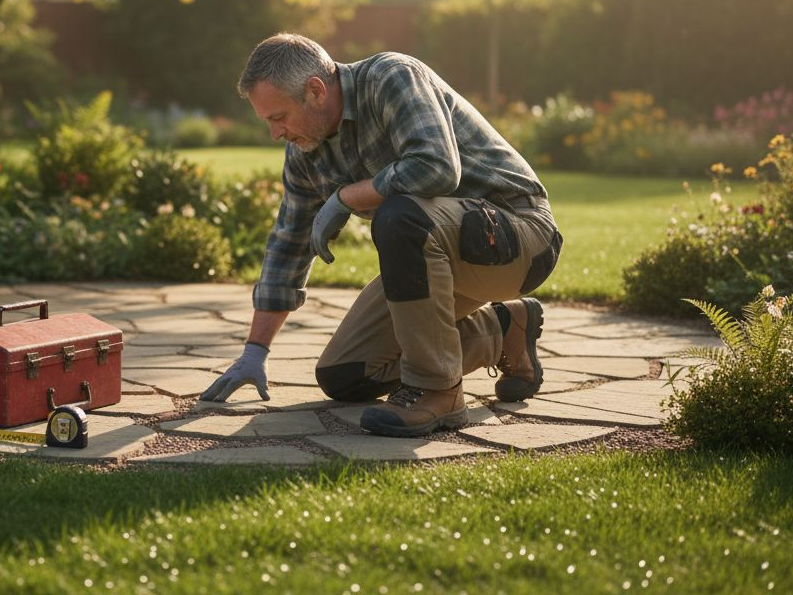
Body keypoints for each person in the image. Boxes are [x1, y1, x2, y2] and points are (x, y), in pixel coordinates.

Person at [200, 34, 563, 437]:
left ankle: (438, 391)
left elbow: (436, 167)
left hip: (519, 237)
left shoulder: (392, 77)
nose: (275, 133)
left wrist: (344, 198)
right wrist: (255, 351)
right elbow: (289, 244)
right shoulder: (306, 152)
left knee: (399, 214)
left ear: (316, 91)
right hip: (442, 254)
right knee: (349, 375)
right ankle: (503, 330)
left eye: (278, 117)